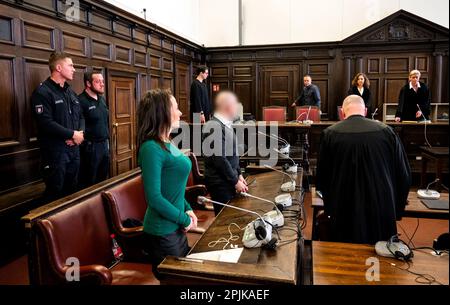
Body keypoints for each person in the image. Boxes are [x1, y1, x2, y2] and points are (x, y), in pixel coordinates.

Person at [316, 95, 411, 244]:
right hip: (381, 207)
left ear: (343, 112)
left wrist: (330, 208)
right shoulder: (387, 132)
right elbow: (404, 175)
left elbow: (322, 178)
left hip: (343, 208)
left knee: (342, 256)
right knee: (381, 257)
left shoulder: (329, 134)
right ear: (365, 111)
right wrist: (396, 210)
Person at [137, 89, 198, 277]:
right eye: (176, 108)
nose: (180, 113)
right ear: (162, 112)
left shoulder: (167, 141)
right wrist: (184, 218)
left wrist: (187, 208)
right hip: (162, 231)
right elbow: (154, 198)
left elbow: (175, 188)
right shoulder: (151, 148)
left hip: (176, 226)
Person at [31, 52, 85, 202]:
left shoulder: (70, 92)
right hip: (55, 154)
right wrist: (72, 134)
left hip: (74, 150)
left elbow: (81, 116)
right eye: (71, 65)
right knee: (55, 195)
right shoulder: (42, 92)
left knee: (72, 192)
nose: (74, 69)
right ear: (59, 68)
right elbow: (46, 123)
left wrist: (79, 135)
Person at [203, 91, 248, 215]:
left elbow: (233, 154)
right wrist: (235, 181)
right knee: (225, 220)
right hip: (220, 182)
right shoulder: (213, 126)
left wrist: (239, 174)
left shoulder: (224, 124)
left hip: (228, 179)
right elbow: (219, 159)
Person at [78, 72, 110, 188]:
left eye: (102, 81)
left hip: (104, 145)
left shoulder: (102, 100)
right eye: (98, 81)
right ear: (88, 83)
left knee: (103, 180)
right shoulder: (80, 101)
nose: (102, 84)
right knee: (89, 182)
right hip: (90, 148)